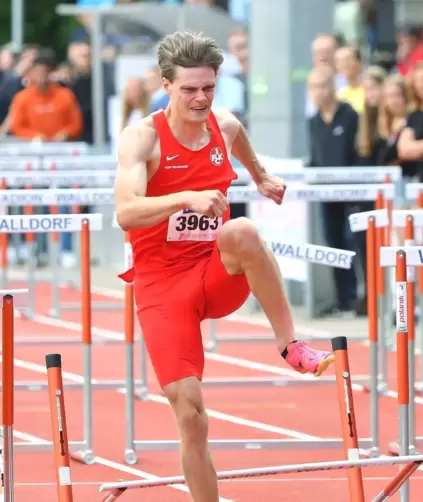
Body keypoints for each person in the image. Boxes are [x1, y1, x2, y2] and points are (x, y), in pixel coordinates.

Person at [113, 31, 335, 502]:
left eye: (208, 88)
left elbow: (240, 143)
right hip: (162, 285)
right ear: (166, 86)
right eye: (189, 89)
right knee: (191, 414)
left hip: (214, 272)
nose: (200, 98)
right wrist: (183, 198)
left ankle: (290, 345)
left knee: (243, 232)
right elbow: (126, 213)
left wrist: (261, 176)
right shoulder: (143, 138)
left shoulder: (225, 125)